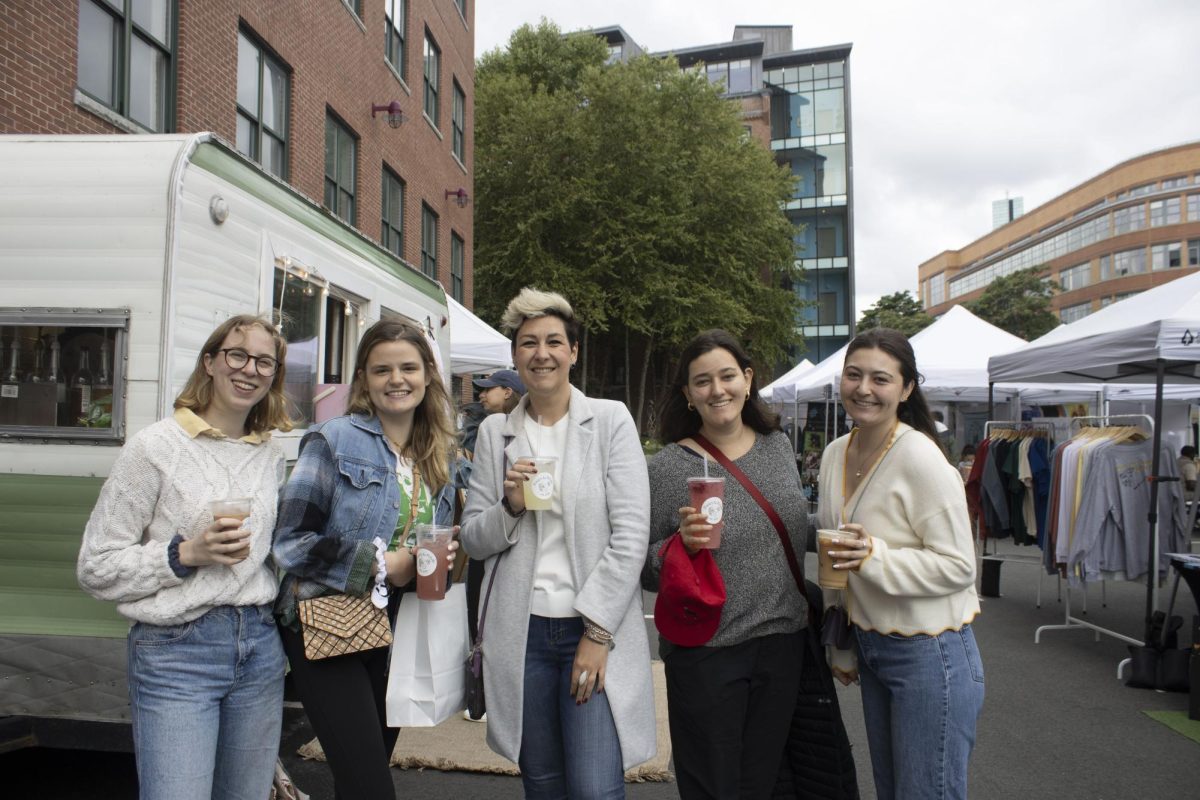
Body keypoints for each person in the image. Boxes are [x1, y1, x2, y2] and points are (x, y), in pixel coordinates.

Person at [77, 314, 294, 800]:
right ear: (210, 362)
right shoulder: (155, 447)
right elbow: (95, 567)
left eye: (264, 362)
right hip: (177, 651)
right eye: (237, 355)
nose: (249, 370)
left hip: (258, 649)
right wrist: (185, 554)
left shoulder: (270, 457)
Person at [459, 287, 656, 798]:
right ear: (515, 355)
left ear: (573, 351)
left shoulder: (610, 420)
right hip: (519, 634)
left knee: (594, 786)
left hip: (590, 627)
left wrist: (596, 631)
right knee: (542, 783)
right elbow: (476, 541)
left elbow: (632, 535)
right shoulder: (495, 433)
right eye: (528, 343)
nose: (541, 353)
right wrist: (510, 507)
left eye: (553, 341)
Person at [272, 319, 463, 799]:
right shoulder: (332, 440)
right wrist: (382, 564)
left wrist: (439, 557)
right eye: (382, 370)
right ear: (363, 379)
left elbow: (434, 541)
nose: (396, 379)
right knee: (371, 786)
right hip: (327, 625)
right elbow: (290, 542)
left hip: (398, 629)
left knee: (361, 778)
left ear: (428, 377)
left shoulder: (440, 455)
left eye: (408, 368)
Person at [642, 329, 810, 799]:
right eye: (702, 381)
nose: (717, 390)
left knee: (762, 783)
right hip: (706, 651)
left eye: (727, 376)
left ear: (748, 379)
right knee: (712, 787)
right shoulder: (667, 468)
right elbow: (641, 564)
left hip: (782, 644)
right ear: (688, 396)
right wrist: (681, 546)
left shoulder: (778, 446)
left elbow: (796, 527)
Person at [816, 327, 983, 800]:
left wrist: (876, 557)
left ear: (906, 388)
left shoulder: (919, 457)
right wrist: (841, 635)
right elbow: (836, 552)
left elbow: (958, 566)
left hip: (932, 653)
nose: (864, 388)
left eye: (881, 379)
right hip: (872, 645)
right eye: (854, 374)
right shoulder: (835, 454)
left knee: (926, 792)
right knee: (893, 790)